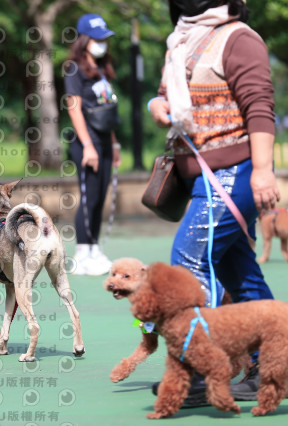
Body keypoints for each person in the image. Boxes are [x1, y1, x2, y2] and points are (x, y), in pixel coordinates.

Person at [148, 0, 280, 404]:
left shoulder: (239, 39)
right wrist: (157, 106)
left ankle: (196, 374)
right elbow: (162, 94)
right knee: (239, 272)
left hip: (233, 173)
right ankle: (269, 365)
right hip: (202, 177)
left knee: (186, 265)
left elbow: (259, 107)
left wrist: (262, 170)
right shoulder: (182, 40)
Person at [64, 14, 121, 276]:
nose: (101, 43)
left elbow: (107, 110)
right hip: (86, 143)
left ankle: (94, 248)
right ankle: (81, 253)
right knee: (90, 197)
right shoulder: (74, 68)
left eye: (104, 39)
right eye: (96, 38)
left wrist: (113, 143)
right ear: (84, 40)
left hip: (104, 142)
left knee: (100, 198)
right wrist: (88, 145)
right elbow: (74, 109)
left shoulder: (101, 70)